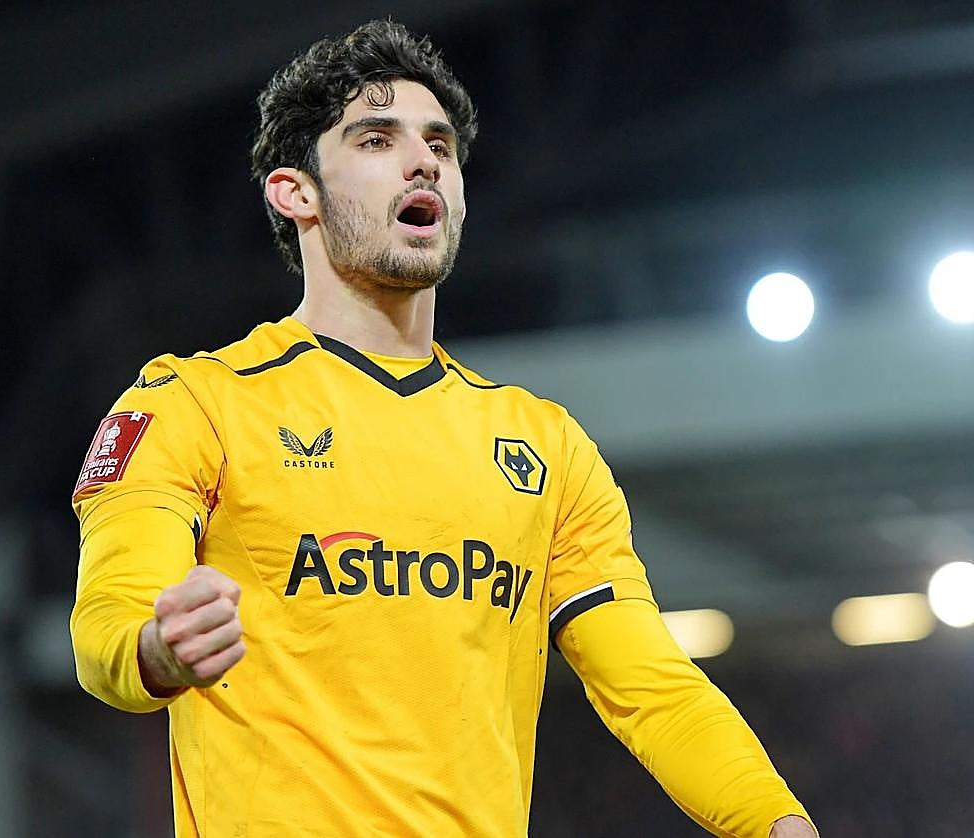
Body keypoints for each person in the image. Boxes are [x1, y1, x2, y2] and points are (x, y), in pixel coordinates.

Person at [70, 19, 816, 837]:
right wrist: (159, 650)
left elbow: (653, 688)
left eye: (441, 145)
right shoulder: (195, 402)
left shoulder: (546, 446)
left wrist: (777, 823)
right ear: (296, 192)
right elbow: (108, 624)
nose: (423, 159)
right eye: (376, 138)